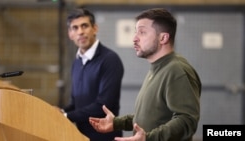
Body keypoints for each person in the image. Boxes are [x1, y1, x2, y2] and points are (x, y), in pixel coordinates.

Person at [89, 8, 202, 141]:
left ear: (163, 38)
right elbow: (151, 116)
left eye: (142, 32)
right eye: (136, 32)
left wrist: (148, 138)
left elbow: (187, 121)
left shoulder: (176, 70)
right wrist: (116, 123)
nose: (135, 38)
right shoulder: (158, 68)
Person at [56, 8, 124, 141]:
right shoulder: (77, 62)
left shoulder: (110, 60)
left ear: (95, 28)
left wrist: (66, 116)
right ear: (70, 34)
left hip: (106, 137)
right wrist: (59, 112)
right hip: (82, 136)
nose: (80, 32)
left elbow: (103, 106)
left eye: (84, 26)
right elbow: (76, 103)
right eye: (75, 28)